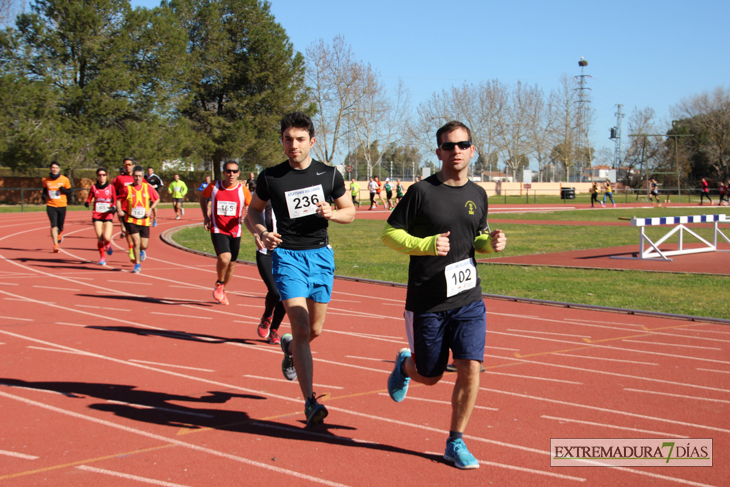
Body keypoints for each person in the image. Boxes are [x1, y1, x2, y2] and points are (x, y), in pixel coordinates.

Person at [382, 121, 506, 470]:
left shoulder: (478, 194)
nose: (456, 151)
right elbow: (389, 234)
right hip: (428, 302)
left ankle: (455, 441)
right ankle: (406, 366)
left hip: (468, 298)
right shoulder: (421, 191)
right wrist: (424, 244)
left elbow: (475, 238)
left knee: (471, 367)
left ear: (472, 150)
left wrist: (491, 244)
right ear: (438, 152)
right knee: (432, 374)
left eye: (462, 145)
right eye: (448, 146)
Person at [246, 111, 355, 426]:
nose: (293, 145)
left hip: (320, 257)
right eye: (287, 139)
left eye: (300, 139)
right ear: (281, 141)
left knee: (313, 331)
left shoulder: (329, 175)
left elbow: (350, 212)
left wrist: (332, 213)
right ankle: (310, 401)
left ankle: (289, 346)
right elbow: (252, 212)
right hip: (287, 257)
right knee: (301, 325)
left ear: (312, 142)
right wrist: (262, 232)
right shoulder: (271, 177)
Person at [200, 161, 251, 305]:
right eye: (228, 171)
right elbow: (203, 197)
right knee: (224, 258)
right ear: (224, 172)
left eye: (234, 171)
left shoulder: (243, 190)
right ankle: (220, 283)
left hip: (236, 231)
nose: (231, 174)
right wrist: (206, 216)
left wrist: (245, 214)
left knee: (232, 264)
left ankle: (222, 289)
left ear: (239, 173)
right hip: (218, 228)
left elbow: (251, 207)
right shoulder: (214, 186)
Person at [245, 200, 287, 345]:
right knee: (275, 291)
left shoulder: (291, 198)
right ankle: (267, 316)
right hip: (266, 252)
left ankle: (274, 330)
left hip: (286, 253)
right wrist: (256, 234)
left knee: (286, 294)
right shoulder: (267, 199)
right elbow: (247, 218)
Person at [117, 165, 160, 274]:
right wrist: (119, 210)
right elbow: (118, 200)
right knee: (136, 242)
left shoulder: (147, 188)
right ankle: (137, 265)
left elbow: (157, 198)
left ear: (142, 176)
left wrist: (151, 209)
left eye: (140, 176)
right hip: (132, 220)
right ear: (133, 177)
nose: (137, 178)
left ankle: (142, 251)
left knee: (144, 245)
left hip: (144, 220)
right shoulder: (128, 189)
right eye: (135, 176)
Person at [85, 168, 117, 265]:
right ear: (97, 176)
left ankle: (107, 243)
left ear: (106, 176)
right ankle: (102, 257)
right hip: (97, 215)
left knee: (107, 237)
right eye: (99, 175)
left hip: (107, 215)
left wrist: (114, 207)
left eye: (103, 175)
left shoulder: (111, 187)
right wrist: (87, 203)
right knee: (99, 238)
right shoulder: (94, 187)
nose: (101, 177)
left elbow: (115, 200)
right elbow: (89, 198)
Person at [42, 161, 72, 253]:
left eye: (56, 168)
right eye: (53, 168)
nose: (54, 169)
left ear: (59, 168)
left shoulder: (64, 179)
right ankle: (55, 245)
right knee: (53, 225)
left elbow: (70, 191)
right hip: (50, 205)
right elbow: (44, 190)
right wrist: (43, 196)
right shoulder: (46, 180)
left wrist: (64, 190)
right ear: (50, 169)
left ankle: (60, 233)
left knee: (60, 225)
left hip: (61, 205)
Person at [113, 158, 136, 260]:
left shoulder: (138, 177)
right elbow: (115, 192)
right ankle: (131, 248)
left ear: (133, 165)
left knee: (137, 231)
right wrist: (116, 206)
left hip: (136, 207)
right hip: (124, 207)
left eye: (129, 164)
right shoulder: (119, 178)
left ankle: (139, 247)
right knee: (128, 231)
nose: (127, 166)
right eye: (125, 165)